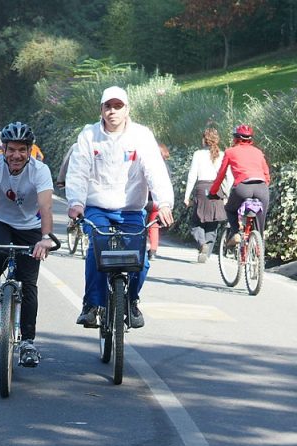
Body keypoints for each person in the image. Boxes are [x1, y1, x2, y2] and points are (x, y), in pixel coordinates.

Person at [66, 86, 174, 329]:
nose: (112, 111)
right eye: (108, 106)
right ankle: (92, 304)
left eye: (118, 106)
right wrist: (75, 203)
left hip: (131, 210)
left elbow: (155, 171)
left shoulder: (141, 136)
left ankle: (132, 300)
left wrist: (164, 203)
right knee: (97, 249)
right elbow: (78, 172)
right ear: (101, 110)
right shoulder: (88, 136)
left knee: (141, 260)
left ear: (127, 110)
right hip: (97, 207)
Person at [0, 122, 55, 368]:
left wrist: (46, 237)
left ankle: (28, 343)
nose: (16, 155)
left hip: (30, 226)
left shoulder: (40, 171)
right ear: (3, 149)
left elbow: (46, 207)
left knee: (29, 283)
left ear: (30, 150)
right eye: (11, 149)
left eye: (22, 149)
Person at [208, 124, 270, 247]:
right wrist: (263, 186)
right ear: (251, 139)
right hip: (261, 188)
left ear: (235, 138)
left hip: (243, 188)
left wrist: (213, 192)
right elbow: (266, 174)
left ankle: (235, 233)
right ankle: (258, 248)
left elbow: (221, 174)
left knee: (230, 209)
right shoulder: (258, 152)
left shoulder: (230, 152)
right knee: (260, 221)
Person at [184, 128, 231, 262]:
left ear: (204, 139)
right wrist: (227, 194)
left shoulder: (198, 154)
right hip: (217, 190)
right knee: (212, 222)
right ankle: (206, 252)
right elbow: (229, 177)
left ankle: (201, 244)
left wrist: (187, 196)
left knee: (196, 221)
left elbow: (192, 175)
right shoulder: (222, 155)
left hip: (202, 189)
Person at [145, 143, 172, 260]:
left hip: (144, 200)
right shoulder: (167, 168)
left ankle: (140, 246)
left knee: (139, 223)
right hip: (159, 202)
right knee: (154, 225)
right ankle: (153, 251)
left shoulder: (148, 165)